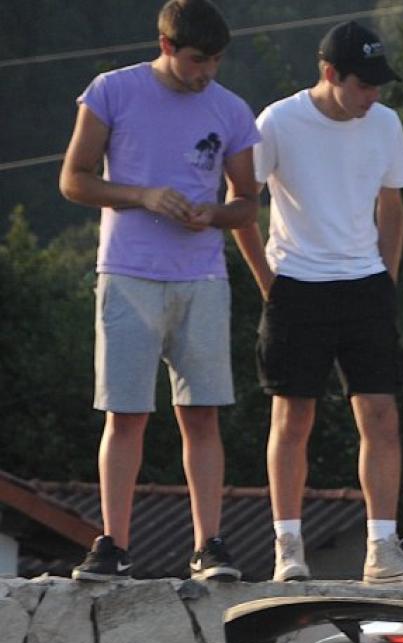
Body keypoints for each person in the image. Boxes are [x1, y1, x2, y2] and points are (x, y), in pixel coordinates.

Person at [229, 21, 403, 585]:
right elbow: (241, 202)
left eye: (378, 85)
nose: (373, 96)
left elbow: (392, 204)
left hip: (365, 284)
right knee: (292, 416)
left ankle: (382, 549)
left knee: (381, 416)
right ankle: (288, 547)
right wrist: (267, 282)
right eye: (363, 85)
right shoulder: (278, 120)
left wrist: (386, 278)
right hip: (296, 281)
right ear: (330, 74)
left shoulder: (386, 122)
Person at [60, 0, 260, 583]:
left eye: (217, 60)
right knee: (125, 414)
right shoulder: (111, 91)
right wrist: (143, 196)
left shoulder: (231, 109)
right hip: (127, 271)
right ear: (168, 47)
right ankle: (112, 544)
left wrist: (215, 214)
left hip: (201, 277)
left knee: (201, 414)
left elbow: (247, 201)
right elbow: (73, 180)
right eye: (198, 59)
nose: (208, 72)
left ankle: (209, 545)